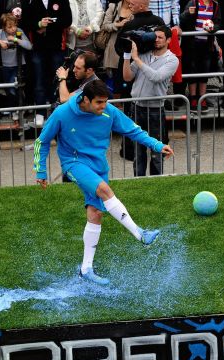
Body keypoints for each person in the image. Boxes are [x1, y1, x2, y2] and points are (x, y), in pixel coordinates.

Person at [32, 80, 174, 285]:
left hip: (99, 165)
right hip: (74, 163)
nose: (103, 106)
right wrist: (41, 171)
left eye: (106, 101)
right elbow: (42, 141)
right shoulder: (62, 113)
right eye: (99, 102)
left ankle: (86, 269)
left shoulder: (109, 111)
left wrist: (158, 145)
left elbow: (133, 130)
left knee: (95, 213)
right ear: (85, 99)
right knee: (104, 190)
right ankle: (141, 234)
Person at [122, 25, 178, 177]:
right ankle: (138, 181)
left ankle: (157, 181)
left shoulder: (172, 59)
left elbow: (156, 77)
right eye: (155, 37)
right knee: (138, 150)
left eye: (160, 37)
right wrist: (127, 56)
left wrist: (136, 59)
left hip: (155, 110)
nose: (156, 40)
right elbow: (127, 77)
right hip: (136, 107)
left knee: (156, 150)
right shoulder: (144, 55)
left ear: (168, 40)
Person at [22, 0, 72, 127]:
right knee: (39, 80)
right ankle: (40, 112)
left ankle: (57, 111)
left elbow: (67, 20)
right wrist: (38, 24)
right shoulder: (29, 1)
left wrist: (48, 25)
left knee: (56, 80)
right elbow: (25, 22)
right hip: (37, 48)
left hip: (56, 47)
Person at [0, 12, 32, 120]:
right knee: (8, 89)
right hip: (6, 66)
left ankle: (21, 107)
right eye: (9, 27)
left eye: (14, 25)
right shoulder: (0, 33)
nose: (13, 29)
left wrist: (16, 39)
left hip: (18, 65)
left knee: (14, 87)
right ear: (4, 27)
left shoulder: (19, 31)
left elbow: (29, 46)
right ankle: (16, 108)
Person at [179, 0, 220, 112]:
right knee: (192, 70)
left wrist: (213, 28)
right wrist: (188, 13)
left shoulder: (215, 5)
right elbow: (181, 19)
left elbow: (218, 22)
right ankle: (193, 97)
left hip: (207, 45)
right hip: (192, 44)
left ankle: (202, 97)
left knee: (204, 71)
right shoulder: (193, 2)